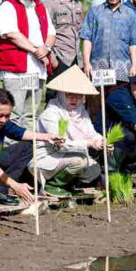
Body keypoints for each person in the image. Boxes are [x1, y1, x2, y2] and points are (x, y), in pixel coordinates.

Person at [0, 89, 59, 205]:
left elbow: (20, 132)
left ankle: (0, 188)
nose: (3, 120)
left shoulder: (0, 121)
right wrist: (15, 185)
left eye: (7, 116)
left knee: (29, 145)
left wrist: (48, 137)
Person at [0, 0, 57, 129]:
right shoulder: (8, 6)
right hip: (16, 70)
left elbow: (51, 32)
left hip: (37, 70)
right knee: (13, 114)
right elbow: (12, 34)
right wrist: (38, 51)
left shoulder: (40, 6)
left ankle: (27, 150)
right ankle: (9, 151)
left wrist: (46, 48)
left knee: (31, 114)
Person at [32, 66, 104, 196]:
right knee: (79, 161)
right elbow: (60, 145)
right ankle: (52, 186)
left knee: (94, 169)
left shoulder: (81, 111)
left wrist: (101, 140)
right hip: (49, 157)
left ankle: (68, 184)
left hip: (71, 155)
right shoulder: (52, 113)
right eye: (69, 95)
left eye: (78, 96)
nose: (74, 99)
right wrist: (88, 143)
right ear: (61, 94)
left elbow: (90, 132)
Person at [80, 0, 136, 84]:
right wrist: (86, 62)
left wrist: (134, 66)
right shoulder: (94, 12)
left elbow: (134, 42)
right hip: (98, 68)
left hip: (121, 69)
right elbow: (87, 39)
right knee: (97, 100)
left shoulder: (130, 14)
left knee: (118, 99)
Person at [44, 0, 85, 101]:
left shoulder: (78, 5)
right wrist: (52, 58)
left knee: (73, 97)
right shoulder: (51, 5)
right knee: (54, 97)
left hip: (76, 59)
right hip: (60, 58)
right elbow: (44, 33)